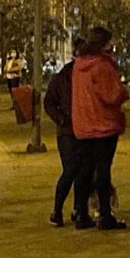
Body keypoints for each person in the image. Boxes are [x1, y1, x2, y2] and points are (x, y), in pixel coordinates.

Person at [72, 27, 129, 230]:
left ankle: (81, 212)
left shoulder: (79, 65)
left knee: (85, 169)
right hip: (103, 124)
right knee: (103, 169)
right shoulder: (102, 66)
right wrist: (123, 90)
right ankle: (105, 214)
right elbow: (111, 95)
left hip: (84, 123)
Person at [44, 38, 85, 227]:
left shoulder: (88, 74)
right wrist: (61, 119)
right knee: (70, 170)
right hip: (67, 131)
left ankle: (78, 208)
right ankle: (57, 210)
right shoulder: (62, 76)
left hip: (86, 129)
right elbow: (49, 103)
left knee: (84, 171)